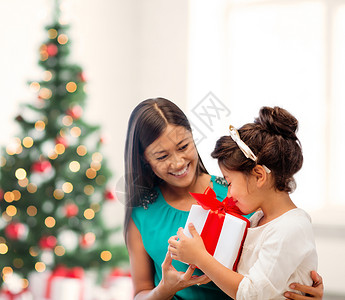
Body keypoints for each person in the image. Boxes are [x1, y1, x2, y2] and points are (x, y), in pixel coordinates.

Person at [124, 98, 323, 300]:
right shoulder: (142, 213)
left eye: (183, 146)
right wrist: (165, 289)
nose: (177, 163)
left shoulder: (243, 196)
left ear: (193, 138)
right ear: (144, 159)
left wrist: (303, 284)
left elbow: (275, 268)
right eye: (162, 156)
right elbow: (141, 292)